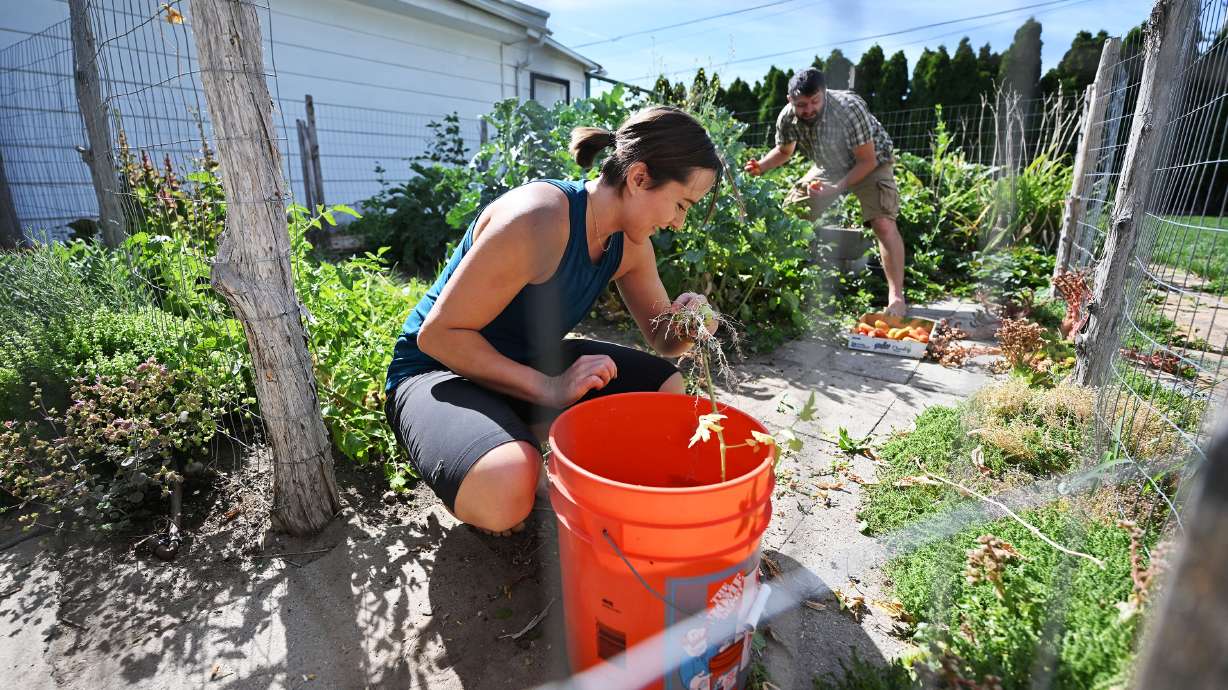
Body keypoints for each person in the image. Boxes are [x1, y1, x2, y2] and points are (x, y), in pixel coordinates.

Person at [384, 106, 723, 536]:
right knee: (505, 490)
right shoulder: (539, 218)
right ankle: (507, 451)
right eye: (680, 204)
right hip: (438, 372)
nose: (679, 222)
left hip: (520, 368)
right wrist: (549, 387)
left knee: (665, 389)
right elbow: (438, 336)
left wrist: (693, 323)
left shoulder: (630, 244)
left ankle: (515, 433)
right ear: (639, 178)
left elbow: (664, 338)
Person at [744, 67, 908, 317]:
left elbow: (867, 161)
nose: (808, 109)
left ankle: (896, 298)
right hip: (829, 166)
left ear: (824, 94)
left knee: (883, 223)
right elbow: (784, 151)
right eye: (801, 104)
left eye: (814, 102)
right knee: (791, 214)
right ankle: (778, 286)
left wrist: (837, 188)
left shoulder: (848, 109)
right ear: (790, 100)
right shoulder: (788, 117)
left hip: (871, 161)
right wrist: (761, 166)